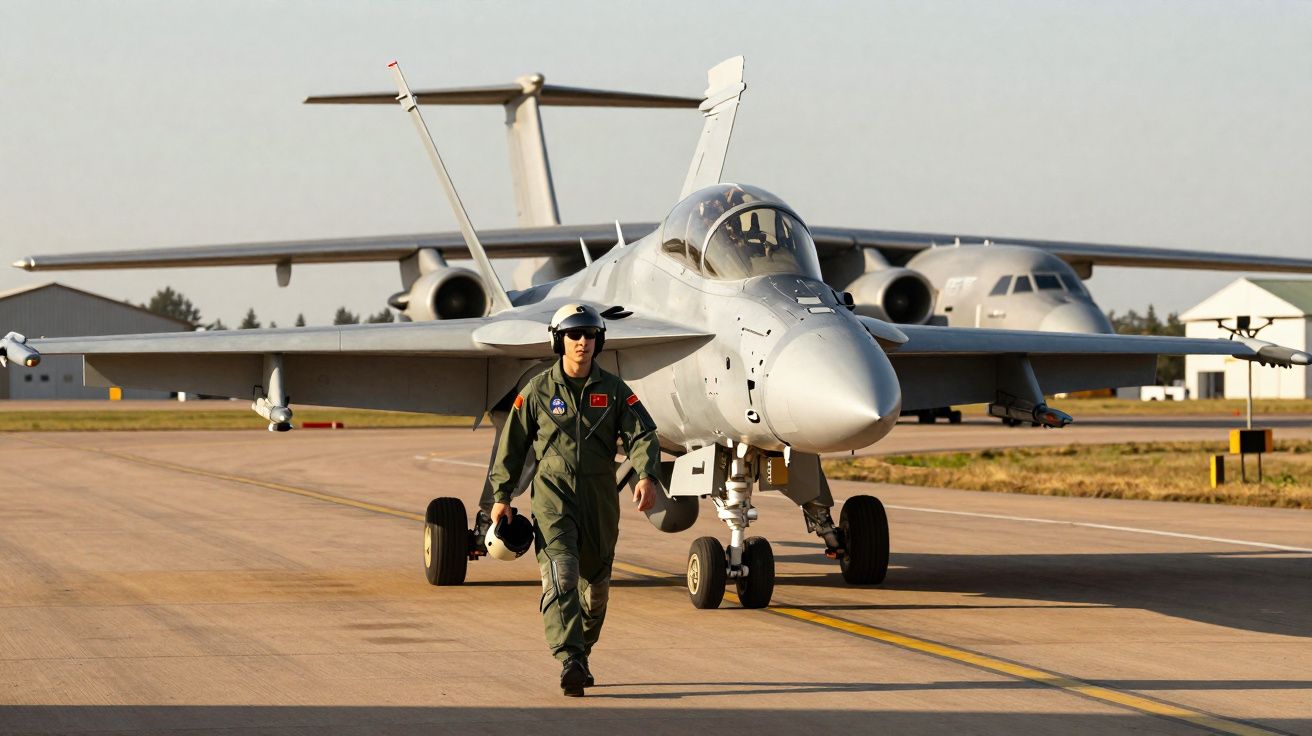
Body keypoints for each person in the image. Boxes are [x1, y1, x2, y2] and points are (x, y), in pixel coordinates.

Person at [486, 303, 661, 697]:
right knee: (561, 573)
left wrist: (647, 474)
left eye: (590, 335)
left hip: (600, 497)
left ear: (599, 341)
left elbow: (642, 434)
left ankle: (582, 652)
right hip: (553, 495)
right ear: (559, 340)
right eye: (574, 335)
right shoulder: (537, 391)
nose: (583, 342)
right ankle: (569, 658)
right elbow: (512, 445)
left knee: (595, 590)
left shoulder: (614, 390)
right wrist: (502, 495)